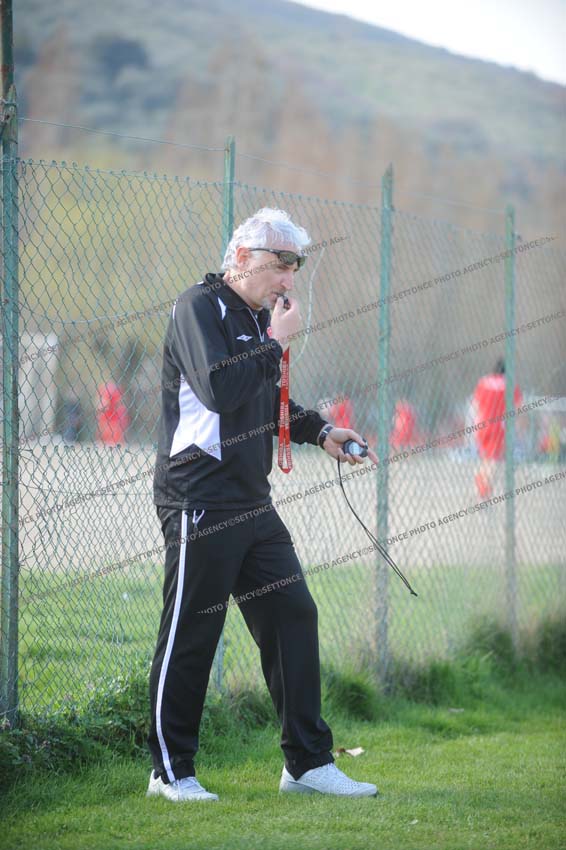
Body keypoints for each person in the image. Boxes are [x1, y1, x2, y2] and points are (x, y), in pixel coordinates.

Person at [147, 208, 379, 802]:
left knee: (293, 615)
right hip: (199, 497)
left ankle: (306, 764)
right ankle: (170, 772)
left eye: (294, 269)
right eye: (281, 266)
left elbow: (267, 399)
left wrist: (322, 431)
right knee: (192, 632)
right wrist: (276, 342)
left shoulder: (256, 320)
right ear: (242, 258)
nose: (288, 281)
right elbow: (221, 389)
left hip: (252, 501)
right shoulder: (197, 308)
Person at [472, 358, 522, 498]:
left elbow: (475, 404)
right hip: (498, 427)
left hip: (482, 425)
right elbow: (518, 407)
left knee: (486, 458)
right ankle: (483, 489)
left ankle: (482, 485)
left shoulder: (483, 382)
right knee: (493, 461)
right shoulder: (510, 385)